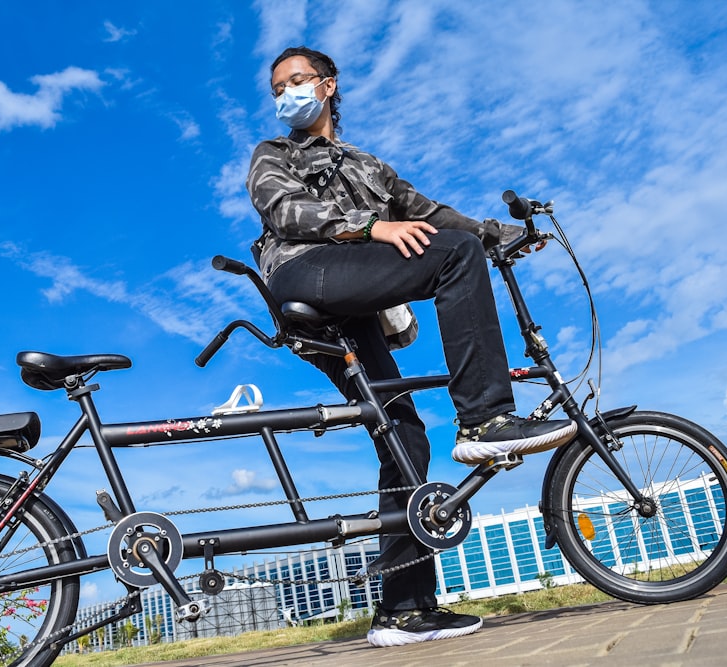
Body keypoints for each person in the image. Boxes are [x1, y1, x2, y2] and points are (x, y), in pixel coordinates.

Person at [245, 46, 577, 648]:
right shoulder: (274, 154)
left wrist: (501, 234)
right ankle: (484, 418)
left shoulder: (368, 165)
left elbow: (433, 216)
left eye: (297, 81)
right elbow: (282, 208)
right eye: (278, 87)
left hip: (352, 304)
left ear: (328, 86)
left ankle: (403, 611)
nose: (286, 94)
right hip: (303, 275)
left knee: (403, 433)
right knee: (454, 259)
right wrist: (372, 228)